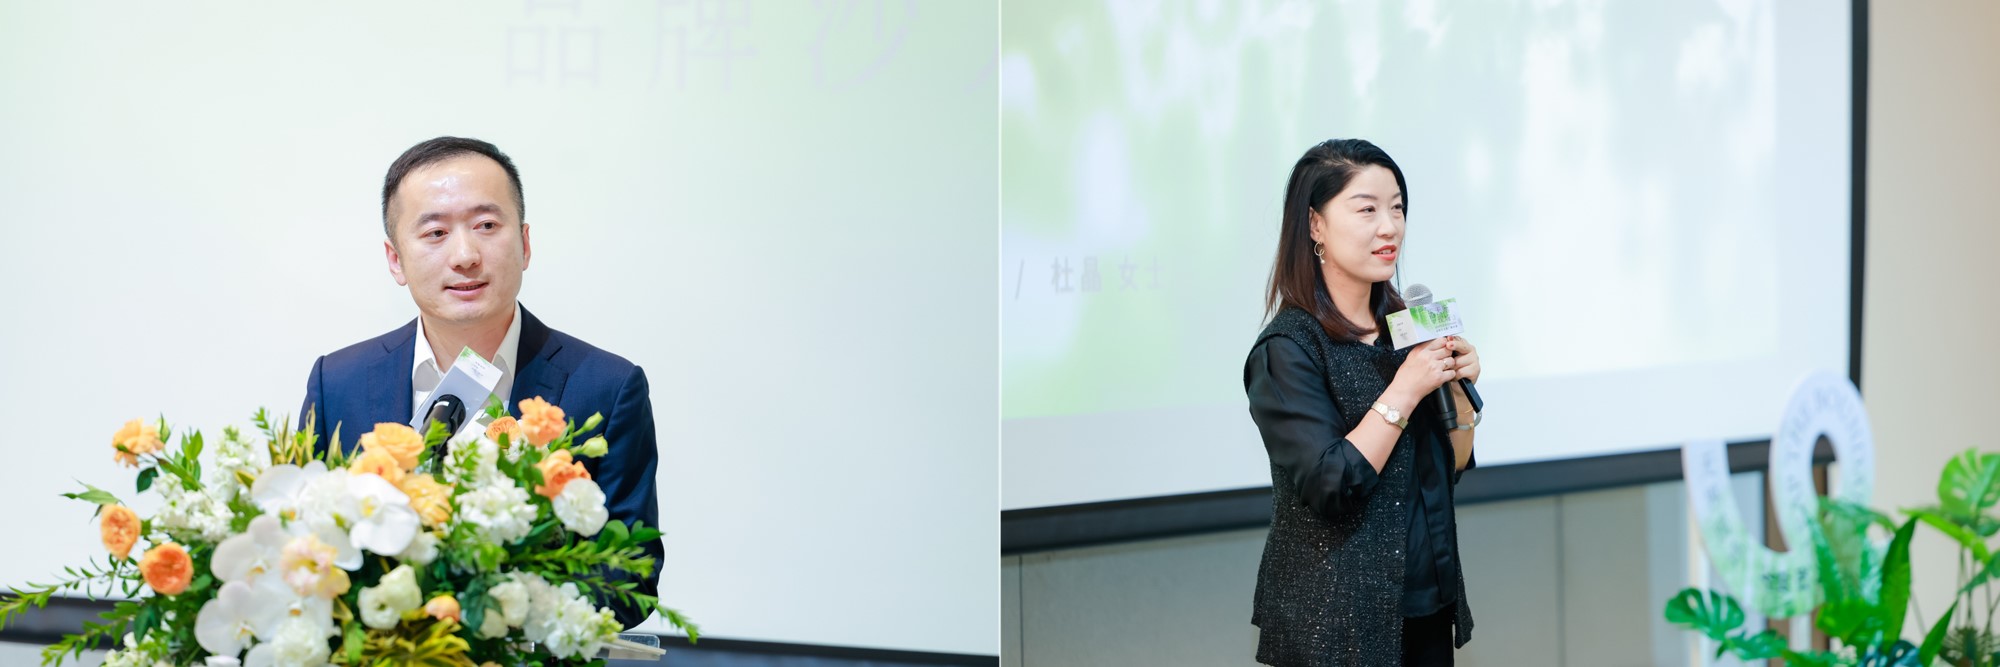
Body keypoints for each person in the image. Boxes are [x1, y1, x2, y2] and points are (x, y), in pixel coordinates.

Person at [298, 136, 662, 628]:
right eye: (435, 232)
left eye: (486, 226)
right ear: (395, 259)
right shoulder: (337, 382)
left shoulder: (607, 388)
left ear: (525, 244)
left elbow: (631, 581)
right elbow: (304, 546)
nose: (465, 255)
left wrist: (491, 613)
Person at [1244, 139, 1481, 666]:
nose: (1389, 227)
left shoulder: (1408, 328)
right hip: (1335, 624)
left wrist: (1457, 392)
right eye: (1367, 210)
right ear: (1315, 225)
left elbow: (1451, 467)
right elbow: (1330, 484)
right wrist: (1405, 389)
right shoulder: (1289, 349)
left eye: (1397, 207)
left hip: (1425, 605)